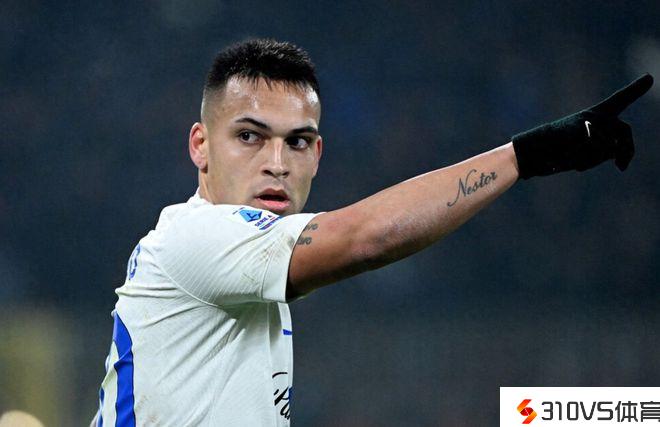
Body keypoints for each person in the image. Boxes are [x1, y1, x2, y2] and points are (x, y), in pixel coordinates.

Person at [92, 38, 653, 426]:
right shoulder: (196, 236)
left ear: (318, 154)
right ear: (200, 146)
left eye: (297, 142)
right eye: (249, 136)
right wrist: (523, 156)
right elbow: (366, 237)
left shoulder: (246, 264)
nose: (277, 164)